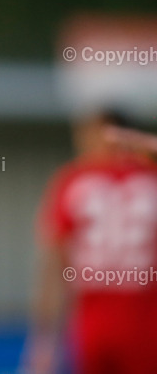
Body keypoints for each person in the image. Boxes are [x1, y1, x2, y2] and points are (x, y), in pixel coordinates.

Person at [23, 111, 157, 374]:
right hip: (144, 318)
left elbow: (54, 263)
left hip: (97, 319)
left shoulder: (73, 180)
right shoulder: (151, 178)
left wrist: (43, 340)